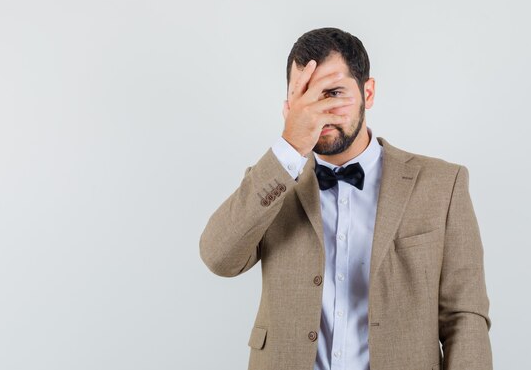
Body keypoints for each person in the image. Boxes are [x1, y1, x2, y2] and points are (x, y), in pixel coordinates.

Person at [199, 27, 493, 370]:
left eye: (334, 93)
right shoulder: (272, 182)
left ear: (368, 93)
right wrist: (288, 150)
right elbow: (219, 258)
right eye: (305, 96)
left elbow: (464, 316)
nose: (319, 112)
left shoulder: (442, 184)